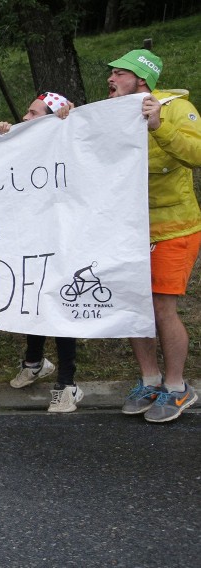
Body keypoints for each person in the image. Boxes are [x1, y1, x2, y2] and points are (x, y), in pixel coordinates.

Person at [107, 49, 201, 423]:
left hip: (176, 227)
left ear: (140, 79)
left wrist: (159, 126)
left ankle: (177, 388)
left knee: (162, 308)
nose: (110, 79)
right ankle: (149, 380)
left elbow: (197, 153)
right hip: (129, 228)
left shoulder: (178, 109)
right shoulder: (110, 113)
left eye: (118, 72)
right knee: (135, 307)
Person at [0, 92, 83, 413]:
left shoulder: (68, 143)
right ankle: (34, 362)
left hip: (63, 240)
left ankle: (68, 384)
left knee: (58, 307)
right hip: (30, 239)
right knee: (32, 298)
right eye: (26, 113)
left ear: (52, 118)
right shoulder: (25, 142)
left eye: (32, 114)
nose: (25, 119)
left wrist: (71, 120)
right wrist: (0, 139)